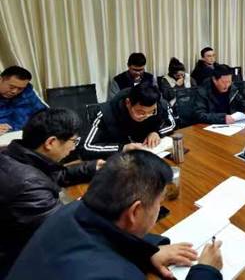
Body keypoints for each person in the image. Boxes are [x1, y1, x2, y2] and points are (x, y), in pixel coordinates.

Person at [7, 150, 223, 280]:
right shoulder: (116, 275)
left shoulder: (68, 211)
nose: (159, 208)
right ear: (135, 211)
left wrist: (147, 252)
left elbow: (103, 235)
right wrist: (206, 271)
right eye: (159, 203)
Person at [0, 109, 102, 275]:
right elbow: (62, 231)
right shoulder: (30, 186)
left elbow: (52, 175)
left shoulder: (14, 154)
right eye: (73, 141)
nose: (73, 148)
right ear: (51, 142)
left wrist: (92, 168)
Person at [81, 83, 175, 160]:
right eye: (140, 112)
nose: (146, 116)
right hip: (119, 163)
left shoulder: (159, 104)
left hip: (148, 158)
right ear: (128, 103)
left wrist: (156, 132)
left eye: (151, 112)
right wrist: (123, 148)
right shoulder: (106, 113)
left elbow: (172, 124)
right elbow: (85, 147)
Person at [0, 66, 47, 134]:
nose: (14, 91)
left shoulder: (27, 94)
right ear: (1, 79)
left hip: (28, 135)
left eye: (20, 89)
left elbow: (43, 113)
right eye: (11, 87)